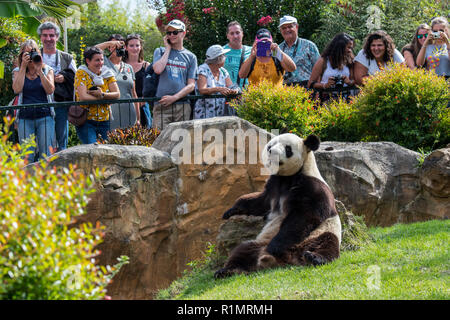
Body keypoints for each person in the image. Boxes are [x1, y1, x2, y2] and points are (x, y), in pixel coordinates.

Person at [12, 39, 55, 162]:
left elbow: (50, 90)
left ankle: (45, 180)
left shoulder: (47, 70)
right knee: (27, 156)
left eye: (33, 52)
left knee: (45, 154)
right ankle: (27, 181)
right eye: (27, 54)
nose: (30, 56)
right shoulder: (17, 71)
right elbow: (17, 89)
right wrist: (23, 67)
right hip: (25, 117)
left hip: (45, 116)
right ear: (22, 56)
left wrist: (39, 71)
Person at [37, 21, 76, 152]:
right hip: (40, 103)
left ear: (57, 37)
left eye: (51, 35)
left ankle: (62, 168)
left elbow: (76, 78)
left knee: (61, 138)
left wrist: (65, 78)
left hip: (60, 103)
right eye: (45, 35)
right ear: (40, 37)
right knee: (42, 141)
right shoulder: (35, 56)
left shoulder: (67, 58)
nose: (48, 39)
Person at [152, 19, 198, 131]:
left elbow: (191, 85)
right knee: (159, 141)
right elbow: (158, 69)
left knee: (181, 143)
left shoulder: (191, 57)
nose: (172, 35)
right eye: (169, 33)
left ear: (184, 33)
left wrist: (174, 98)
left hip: (182, 105)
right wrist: (168, 49)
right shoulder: (160, 51)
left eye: (175, 32)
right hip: (161, 104)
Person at [74, 47, 120, 144]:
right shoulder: (81, 73)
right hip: (86, 120)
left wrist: (102, 95)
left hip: (105, 120)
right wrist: (103, 97)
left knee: (105, 151)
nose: (100, 63)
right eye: (97, 60)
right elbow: (83, 97)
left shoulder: (107, 73)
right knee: (91, 150)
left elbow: (117, 94)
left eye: (102, 59)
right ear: (88, 61)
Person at [96, 34, 140, 130]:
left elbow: (134, 93)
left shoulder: (128, 68)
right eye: (113, 46)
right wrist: (111, 43)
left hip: (129, 114)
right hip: (110, 116)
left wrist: (138, 118)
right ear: (108, 48)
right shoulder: (102, 64)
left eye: (120, 46)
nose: (117, 48)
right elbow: (92, 50)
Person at [194, 45, 240, 119]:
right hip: (204, 114)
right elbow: (202, 90)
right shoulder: (202, 69)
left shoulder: (223, 71)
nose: (225, 58)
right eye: (224, 56)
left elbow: (231, 86)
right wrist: (219, 89)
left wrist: (234, 90)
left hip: (220, 114)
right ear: (218, 59)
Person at [308, 33, 355, 99]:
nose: (350, 51)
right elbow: (310, 83)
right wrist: (325, 85)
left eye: (351, 48)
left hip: (346, 99)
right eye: (348, 47)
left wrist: (349, 82)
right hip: (327, 99)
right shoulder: (323, 61)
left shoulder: (350, 60)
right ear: (340, 47)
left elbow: (355, 81)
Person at [278, 15, 321, 86]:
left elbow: (319, 69)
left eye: (290, 26)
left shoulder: (309, 46)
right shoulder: (278, 49)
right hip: (285, 90)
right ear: (281, 31)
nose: (287, 30)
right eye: (284, 28)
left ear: (297, 27)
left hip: (307, 88)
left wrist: (318, 89)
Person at [124, 33, 152, 128]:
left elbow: (151, 86)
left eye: (137, 45)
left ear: (140, 47)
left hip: (143, 105)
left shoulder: (146, 65)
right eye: (131, 45)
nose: (135, 48)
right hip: (125, 106)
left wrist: (144, 100)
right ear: (126, 47)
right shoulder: (121, 65)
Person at [222, 21, 252, 88]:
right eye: (232, 33)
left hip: (248, 95)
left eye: (237, 33)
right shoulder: (221, 52)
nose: (235, 36)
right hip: (227, 95)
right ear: (227, 36)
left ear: (242, 34)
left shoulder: (251, 51)